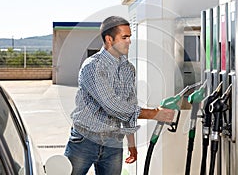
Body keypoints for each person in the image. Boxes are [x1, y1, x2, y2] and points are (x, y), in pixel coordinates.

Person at [64, 16, 175, 175]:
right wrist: (154, 114)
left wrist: (131, 143)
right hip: (84, 141)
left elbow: (129, 104)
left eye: (129, 37)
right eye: (124, 37)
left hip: (113, 143)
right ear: (109, 39)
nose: (129, 41)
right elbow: (112, 106)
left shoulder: (128, 69)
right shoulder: (92, 67)